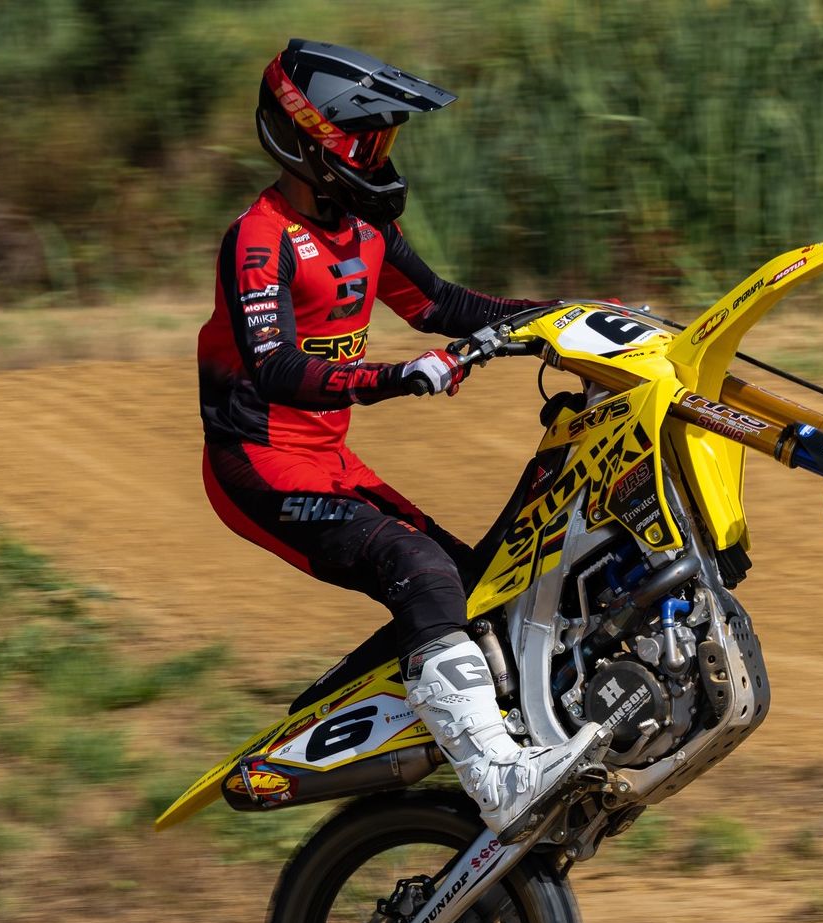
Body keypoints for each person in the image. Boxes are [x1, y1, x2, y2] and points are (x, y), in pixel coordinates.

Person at [197, 40, 603, 835]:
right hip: (260, 466)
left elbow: (440, 304)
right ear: (310, 142)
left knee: (479, 588)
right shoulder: (260, 238)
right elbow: (274, 367)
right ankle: (495, 778)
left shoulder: (362, 229)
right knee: (417, 567)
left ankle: (476, 742)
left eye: (382, 142)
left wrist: (571, 318)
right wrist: (395, 376)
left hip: (328, 461)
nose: (378, 158)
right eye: (365, 142)